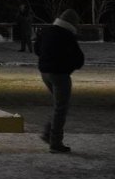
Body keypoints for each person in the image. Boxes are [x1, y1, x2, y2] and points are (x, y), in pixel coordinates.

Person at [34, 8, 84, 153]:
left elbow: (37, 49)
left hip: (45, 73)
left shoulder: (46, 31)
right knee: (61, 108)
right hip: (60, 75)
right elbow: (79, 60)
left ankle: (49, 134)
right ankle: (54, 142)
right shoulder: (67, 36)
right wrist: (67, 66)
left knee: (59, 106)